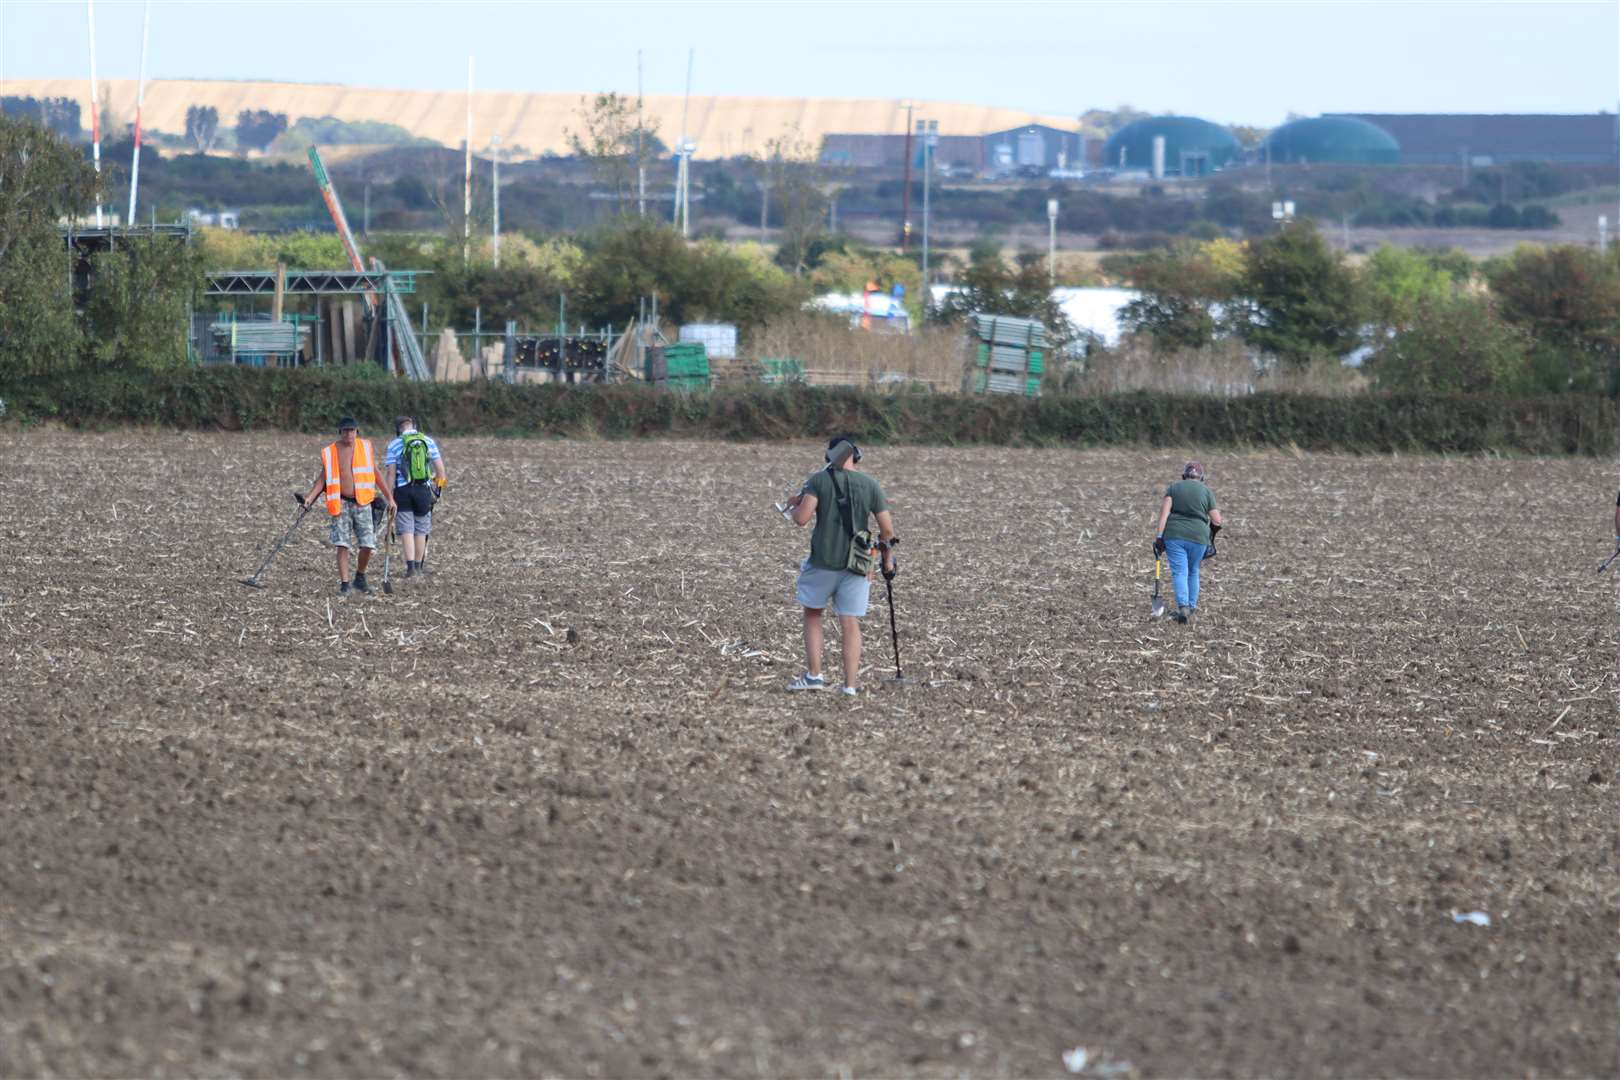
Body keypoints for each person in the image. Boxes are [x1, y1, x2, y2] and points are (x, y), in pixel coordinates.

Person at [783, 435, 897, 695]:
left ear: (829, 455)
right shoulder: (871, 485)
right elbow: (887, 531)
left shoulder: (819, 480)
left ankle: (814, 676)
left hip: (822, 561)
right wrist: (884, 561)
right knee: (850, 622)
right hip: (858, 564)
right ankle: (850, 686)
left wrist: (793, 506)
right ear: (856, 456)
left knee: (813, 614)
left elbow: (801, 519)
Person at [298, 417, 394, 595]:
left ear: (357, 431)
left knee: (368, 545)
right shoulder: (331, 452)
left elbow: (376, 474)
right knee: (342, 545)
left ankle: (360, 577)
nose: (349, 434)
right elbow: (322, 480)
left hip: (363, 503)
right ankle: (345, 583)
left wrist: (390, 497)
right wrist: (309, 499)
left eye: (352, 430)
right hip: (341, 503)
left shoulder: (365, 448)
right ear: (340, 432)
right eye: (345, 430)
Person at [1153, 460, 1223, 625]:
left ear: (1184, 476)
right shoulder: (1206, 492)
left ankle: (1183, 607)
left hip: (1175, 535)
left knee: (1180, 572)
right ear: (1201, 477)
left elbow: (1164, 515)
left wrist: (1159, 538)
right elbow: (1217, 520)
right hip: (1199, 537)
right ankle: (1191, 609)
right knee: (1193, 571)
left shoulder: (1174, 488)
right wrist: (1210, 536)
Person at [382, 415, 447, 578]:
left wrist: (388, 496)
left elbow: (390, 473)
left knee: (406, 529)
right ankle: (418, 567)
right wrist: (438, 490)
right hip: (423, 490)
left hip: (402, 491)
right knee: (421, 529)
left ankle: (410, 568)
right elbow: (440, 470)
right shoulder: (428, 441)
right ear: (414, 426)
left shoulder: (394, 444)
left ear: (398, 429)